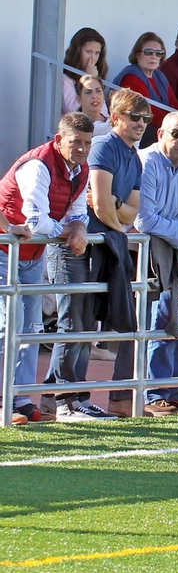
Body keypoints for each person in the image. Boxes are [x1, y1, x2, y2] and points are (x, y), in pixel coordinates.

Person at [48, 88, 146, 419]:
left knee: (85, 324)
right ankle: (65, 399)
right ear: (116, 118)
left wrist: (117, 213)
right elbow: (103, 207)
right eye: (135, 117)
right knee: (73, 322)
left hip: (99, 244)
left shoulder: (133, 155)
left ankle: (65, 395)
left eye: (146, 118)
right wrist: (118, 217)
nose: (141, 123)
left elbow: (133, 210)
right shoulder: (104, 147)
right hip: (76, 244)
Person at [0, 113, 91, 424]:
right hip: (4, 248)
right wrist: (72, 232)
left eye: (87, 143)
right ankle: (4, 398)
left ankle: (20, 398)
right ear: (58, 141)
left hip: (31, 253)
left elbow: (78, 211)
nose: (81, 149)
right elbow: (36, 220)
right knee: (7, 324)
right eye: (75, 142)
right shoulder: (37, 165)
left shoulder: (82, 170)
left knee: (31, 328)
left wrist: (79, 225)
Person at [135, 111, 178, 415]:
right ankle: (154, 393)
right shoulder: (146, 161)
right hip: (144, 251)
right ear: (161, 133)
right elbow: (143, 218)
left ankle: (172, 390)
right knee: (158, 319)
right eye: (176, 134)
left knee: (177, 318)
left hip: (172, 248)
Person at [115, 32, 178, 136]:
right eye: (148, 52)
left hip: (163, 127)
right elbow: (149, 112)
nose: (154, 56)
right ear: (138, 55)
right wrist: (175, 124)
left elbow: (174, 104)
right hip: (142, 130)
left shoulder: (159, 76)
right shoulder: (131, 77)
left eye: (159, 53)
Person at [62, 27, 110, 115]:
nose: (93, 58)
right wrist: (90, 80)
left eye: (97, 53)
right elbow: (73, 111)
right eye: (88, 52)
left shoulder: (97, 73)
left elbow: (103, 113)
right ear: (77, 51)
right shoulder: (66, 79)